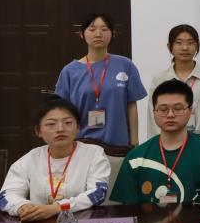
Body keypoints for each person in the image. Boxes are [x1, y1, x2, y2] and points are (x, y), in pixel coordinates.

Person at [111, 79, 200, 205]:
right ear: (154, 113)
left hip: (196, 219)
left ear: (190, 111)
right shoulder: (135, 158)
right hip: (147, 219)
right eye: (163, 109)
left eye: (178, 108)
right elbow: (129, 212)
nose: (170, 115)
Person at [0, 97, 110, 219]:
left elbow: (97, 193)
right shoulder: (30, 159)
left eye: (68, 123)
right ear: (38, 131)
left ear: (78, 127)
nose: (60, 129)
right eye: (51, 124)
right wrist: (22, 206)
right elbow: (6, 195)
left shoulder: (94, 154)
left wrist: (58, 208)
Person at [55, 13, 146, 146]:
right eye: (92, 29)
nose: (98, 34)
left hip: (118, 146)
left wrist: (135, 142)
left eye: (104, 29)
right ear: (82, 34)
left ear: (113, 34)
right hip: (81, 145)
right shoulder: (69, 71)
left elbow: (131, 105)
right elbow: (62, 111)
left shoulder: (125, 65)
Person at [148, 24, 200, 139]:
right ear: (170, 47)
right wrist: (159, 144)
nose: (185, 48)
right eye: (179, 43)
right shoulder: (160, 79)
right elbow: (154, 118)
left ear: (197, 46)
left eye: (190, 43)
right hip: (168, 142)